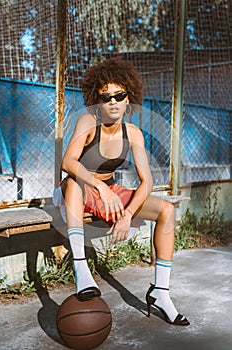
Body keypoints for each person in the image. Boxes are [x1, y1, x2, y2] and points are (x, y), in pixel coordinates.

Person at [53, 56, 190, 326]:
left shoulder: (134, 133)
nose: (113, 101)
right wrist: (102, 189)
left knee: (166, 210)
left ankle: (161, 292)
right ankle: (81, 270)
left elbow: (146, 181)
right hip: (79, 188)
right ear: (97, 100)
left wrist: (127, 213)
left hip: (109, 190)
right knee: (73, 185)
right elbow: (68, 163)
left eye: (119, 95)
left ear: (129, 98)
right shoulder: (87, 123)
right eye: (106, 97)